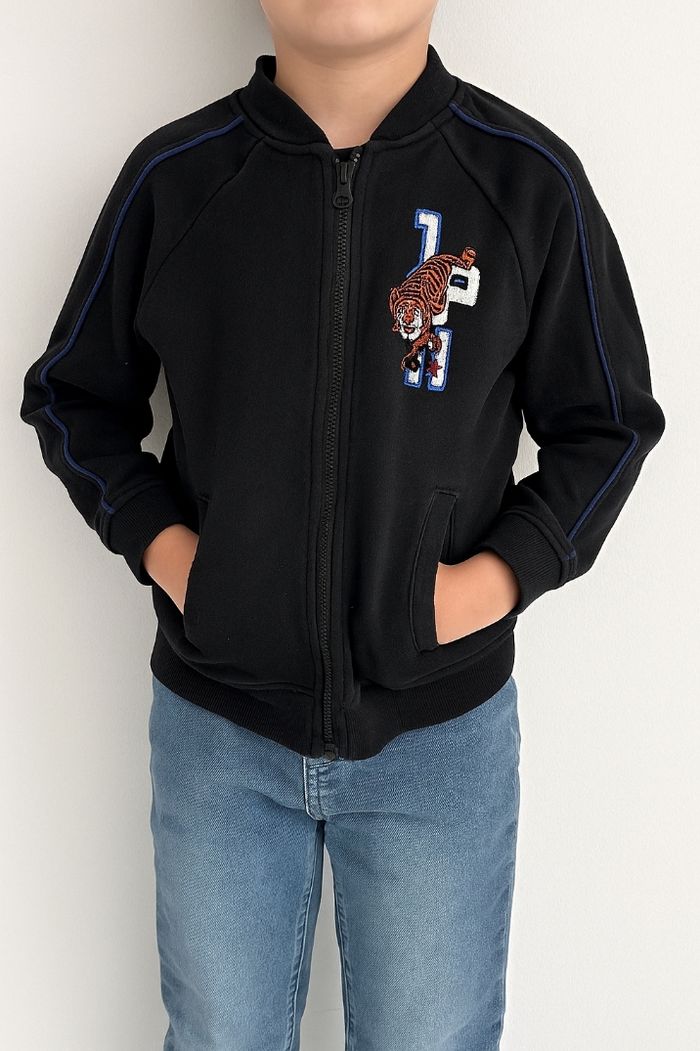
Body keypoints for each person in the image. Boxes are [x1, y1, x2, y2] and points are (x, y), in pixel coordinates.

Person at [18, 1, 666, 1047]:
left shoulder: (525, 183)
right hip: (219, 731)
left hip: (440, 736)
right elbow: (71, 398)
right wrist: (180, 559)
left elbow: (609, 424)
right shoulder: (176, 179)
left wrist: (491, 582)